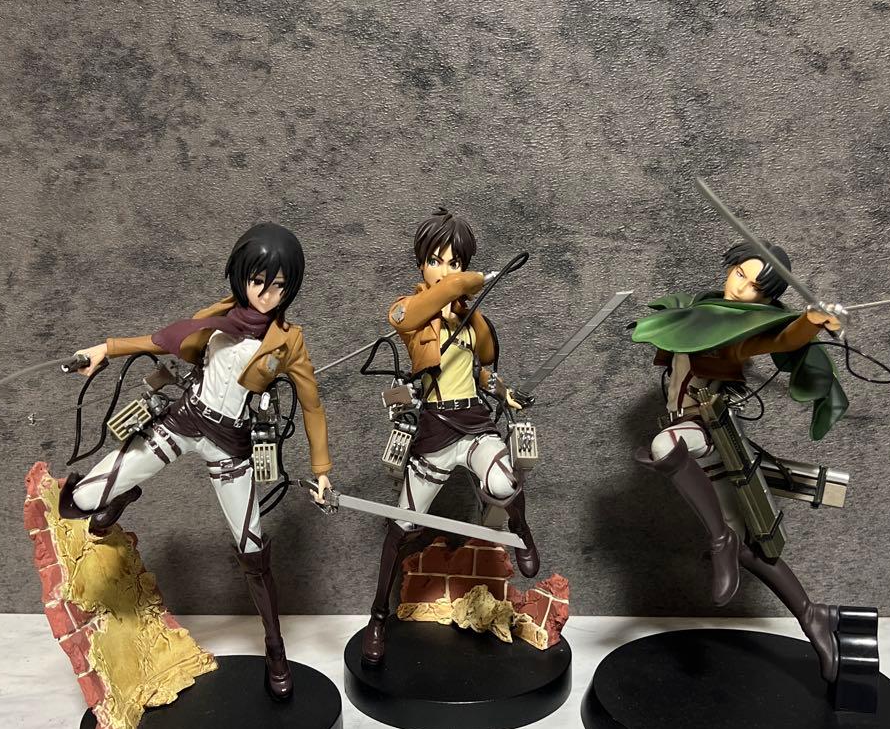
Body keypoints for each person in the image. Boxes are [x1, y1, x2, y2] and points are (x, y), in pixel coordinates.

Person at [59, 222, 332, 700]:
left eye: (279, 285)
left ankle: (275, 648)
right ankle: (118, 499)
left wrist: (322, 472)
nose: (267, 294)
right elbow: (160, 340)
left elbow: (312, 405)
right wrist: (105, 348)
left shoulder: (288, 341)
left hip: (232, 444)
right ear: (241, 277)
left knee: (253, 551)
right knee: (79, 499)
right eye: (258, 281)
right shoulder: (218, 319)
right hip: (185, 421)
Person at [630, 241, 847, 682]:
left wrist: (809, 321)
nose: (741, 288)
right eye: (740, 274)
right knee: (752, 549)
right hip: (697, 447)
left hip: (706, 431)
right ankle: (813, 615)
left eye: (754, 287)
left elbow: (781, 338)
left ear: (766, 299)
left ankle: (719, 542)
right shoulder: (701, 310)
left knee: (663, 447)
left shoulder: (742, 329)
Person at [361, 208, 538, 666]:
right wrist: (460, 284)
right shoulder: (410, 312)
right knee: (401, 526)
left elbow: (484, 370)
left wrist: (505, 392)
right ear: (422, 263)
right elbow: (408, 315)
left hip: (474, 421)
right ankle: (378, 616)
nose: (444, 270)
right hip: (434, 428)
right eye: (436, 260)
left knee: (504, 482)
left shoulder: (472, 320)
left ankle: (520, 528)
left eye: (454, 262)